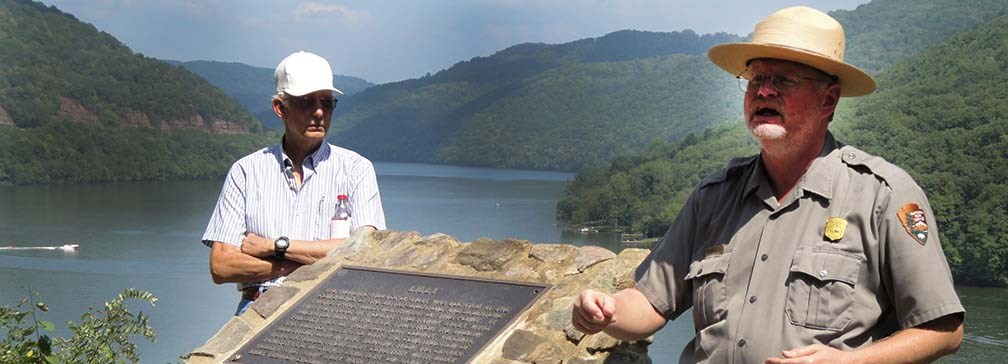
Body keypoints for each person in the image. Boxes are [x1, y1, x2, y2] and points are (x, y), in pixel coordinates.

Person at [572, 6, 964, 363]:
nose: (763, 91)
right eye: (756, 77)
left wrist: (849, 361)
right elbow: (651, 302)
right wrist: (606, 311)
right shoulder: (714, 197)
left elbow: (943, 330)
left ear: (828, 101)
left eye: (784, 81)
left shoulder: (884, 195)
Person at [202, 51, 386, 316]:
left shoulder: (356, 169)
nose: (319, 111)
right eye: (306, 102)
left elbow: (363, 252)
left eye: (327, 102)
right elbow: (222, 266)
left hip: (332, 309)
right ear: (280, 108)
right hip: (258, 308)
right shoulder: (246, 171)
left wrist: (275, 246)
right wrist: (312, 261)